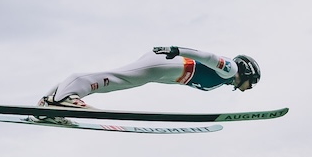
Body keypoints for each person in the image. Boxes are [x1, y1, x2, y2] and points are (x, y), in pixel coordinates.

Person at [40, 45, 260, 107]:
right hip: (166, 64)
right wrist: (176, 50)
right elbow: (208, 57)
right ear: (247, 71)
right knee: (116, 79)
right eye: (251, 83)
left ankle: (52, 100)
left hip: (162, 71)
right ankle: (66, 95)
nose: (249, 88)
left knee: (115, 82)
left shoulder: (224, 79)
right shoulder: (231, 69)